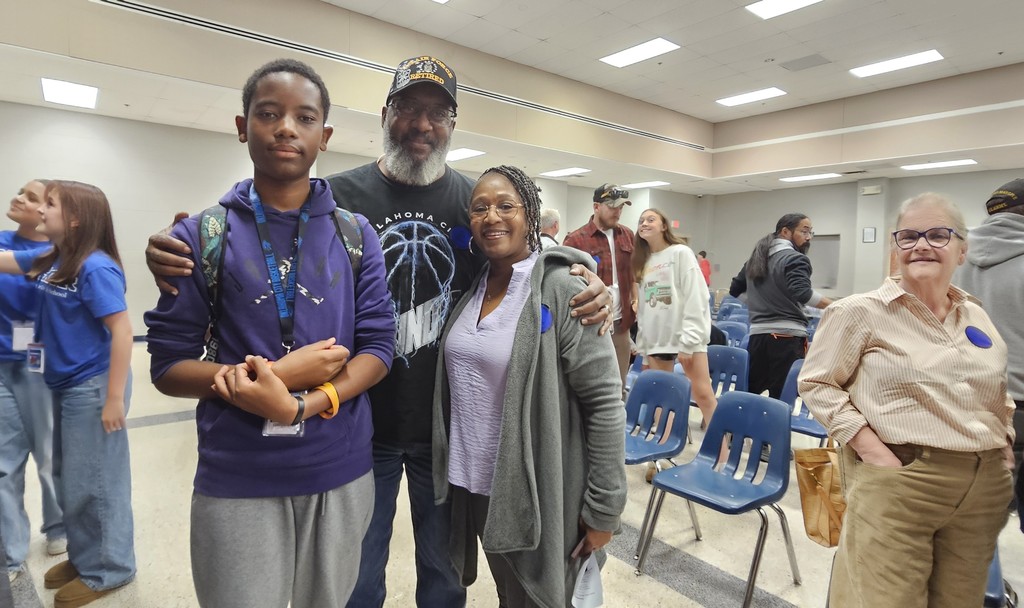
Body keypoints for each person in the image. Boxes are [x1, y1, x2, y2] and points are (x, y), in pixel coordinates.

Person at [143, 55, 611, 608]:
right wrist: (178, 245)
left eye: (437, 113)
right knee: (357, 579)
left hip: (445, 428)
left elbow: (521, 245)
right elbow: (265, 216)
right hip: (358, 426)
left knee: (443, 575)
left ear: (453, 124)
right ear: (385, 114)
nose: (421, 124)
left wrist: (581, 267)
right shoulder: (337, 198)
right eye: (409, 108)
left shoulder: (470, 200)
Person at [144, 58, 395, 607]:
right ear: (242, 126)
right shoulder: (200, 235)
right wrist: (279, 377)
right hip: (238, 475)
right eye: (268, 114)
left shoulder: (356, 236)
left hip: (339, 468)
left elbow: (378, 347)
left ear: (324, 137)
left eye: (304, 118)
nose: (286, 127)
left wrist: (304, 404)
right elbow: (167, 367)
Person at [799, 193, 1015, 607]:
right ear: (895, 250)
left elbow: (995, 387)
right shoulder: (858, 312)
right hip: (903, 478)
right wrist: (873, 450)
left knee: (961, 600)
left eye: (938, 235)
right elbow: (817, 384)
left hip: (982, 488)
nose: (921, 245)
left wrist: (1003, 440)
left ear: (962, 251)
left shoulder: (976, 314)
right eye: (909, 236)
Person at [433, 165, 626, 607]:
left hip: (544, 490)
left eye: (506, 205)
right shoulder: (473, 286)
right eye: (480, 208)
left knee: (543, 596)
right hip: (481, 486)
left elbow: (604, 403)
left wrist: (605, 508)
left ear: (531, 215)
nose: (492, 216)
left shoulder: (562, 288)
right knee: (510, 593)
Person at [0, 180, 135, 607]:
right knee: (69, 479)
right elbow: (7, 262)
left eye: (51, 204)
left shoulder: (94, 268)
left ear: (75, 219)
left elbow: (123, 332)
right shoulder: (53, 257)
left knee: (96, 482)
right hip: (65, 384)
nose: (41, 210)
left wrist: (114, 398)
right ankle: (84, 557)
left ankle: (111, 569)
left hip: (93, 386)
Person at [0, 180, 67, 586]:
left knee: (48, 453)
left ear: (46, 211)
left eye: (30, 197)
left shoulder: (58, 255)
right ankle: (10, 549)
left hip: (40, 363)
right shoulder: (4, 242)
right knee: (3, 462)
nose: (18, 199)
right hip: (2, 364)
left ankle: (58, 527)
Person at [955, 177, 1024, 524]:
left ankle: (980, 579)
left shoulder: (952, 257)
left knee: (974, 510)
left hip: (961, 398)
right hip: (1019, 404)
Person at [729, 213, 832, 398]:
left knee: (751, 394)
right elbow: (803, 293)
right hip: (786, 338)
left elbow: (735, 290)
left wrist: (763, 304)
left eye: (811, 233)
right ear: (785, 231)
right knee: (782, 399)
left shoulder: (756, 258)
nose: (808, 237)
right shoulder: (795, 258)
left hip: (758, 337)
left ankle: (749, 427)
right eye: (804, 231)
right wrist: (836, 305)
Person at [633, 209, 717, 422]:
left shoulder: (681, 253)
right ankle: (663, 447)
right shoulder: (643, 261)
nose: (644, 223)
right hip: (657, 340)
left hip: (684, 338)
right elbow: (643, 309)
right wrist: (643, 348)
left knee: (703, 395)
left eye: (651, 219)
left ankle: (723, 453)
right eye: (641, 220)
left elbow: (696, 297)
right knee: (662, 400)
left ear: (664, 226)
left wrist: (688, 341)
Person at [563, 183, 636, 387]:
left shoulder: (628, 236)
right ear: (596, 207)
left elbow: (634, 274)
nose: (618, 212)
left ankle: (618, 420)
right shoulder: (576, 240)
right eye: (613, 207)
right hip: (591, 328)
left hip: (621, 325)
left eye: (621, 207)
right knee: (592, 389)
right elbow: (564, 283)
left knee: (619, 387)